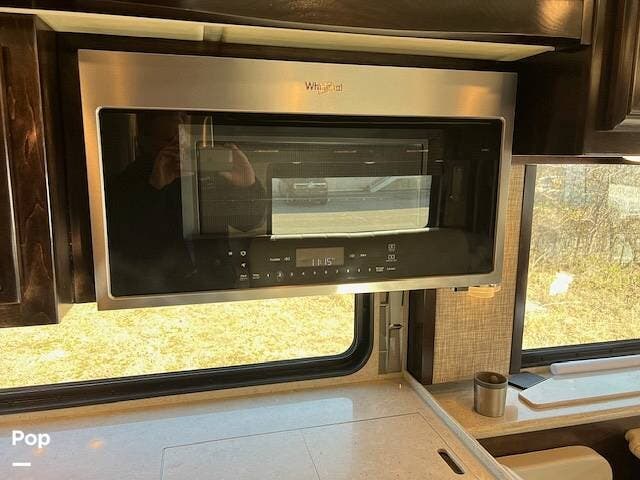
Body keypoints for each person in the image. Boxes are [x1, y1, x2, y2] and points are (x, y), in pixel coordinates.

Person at [105, 111, 265, 296]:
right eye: (169, 141)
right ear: (144, 143)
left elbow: (248, 222)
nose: (181, 149)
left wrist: (247, 186)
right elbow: (122, 242)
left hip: (216, 284)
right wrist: (153, 188)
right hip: (155, 290)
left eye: (187, 143)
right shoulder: (125, 183)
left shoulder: (210, 173)